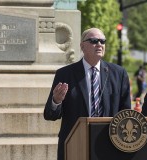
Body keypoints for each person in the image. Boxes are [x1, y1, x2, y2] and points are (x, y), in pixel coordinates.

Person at [44, 28, 131, 160]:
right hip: (75, 144)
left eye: (102, 41)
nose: (99, 44)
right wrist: (56, 101)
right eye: (94, 41)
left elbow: (125, 111)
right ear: (82, 46)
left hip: (108, 144)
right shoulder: (65, 74)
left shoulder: (118, 74)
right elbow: (50, 115)